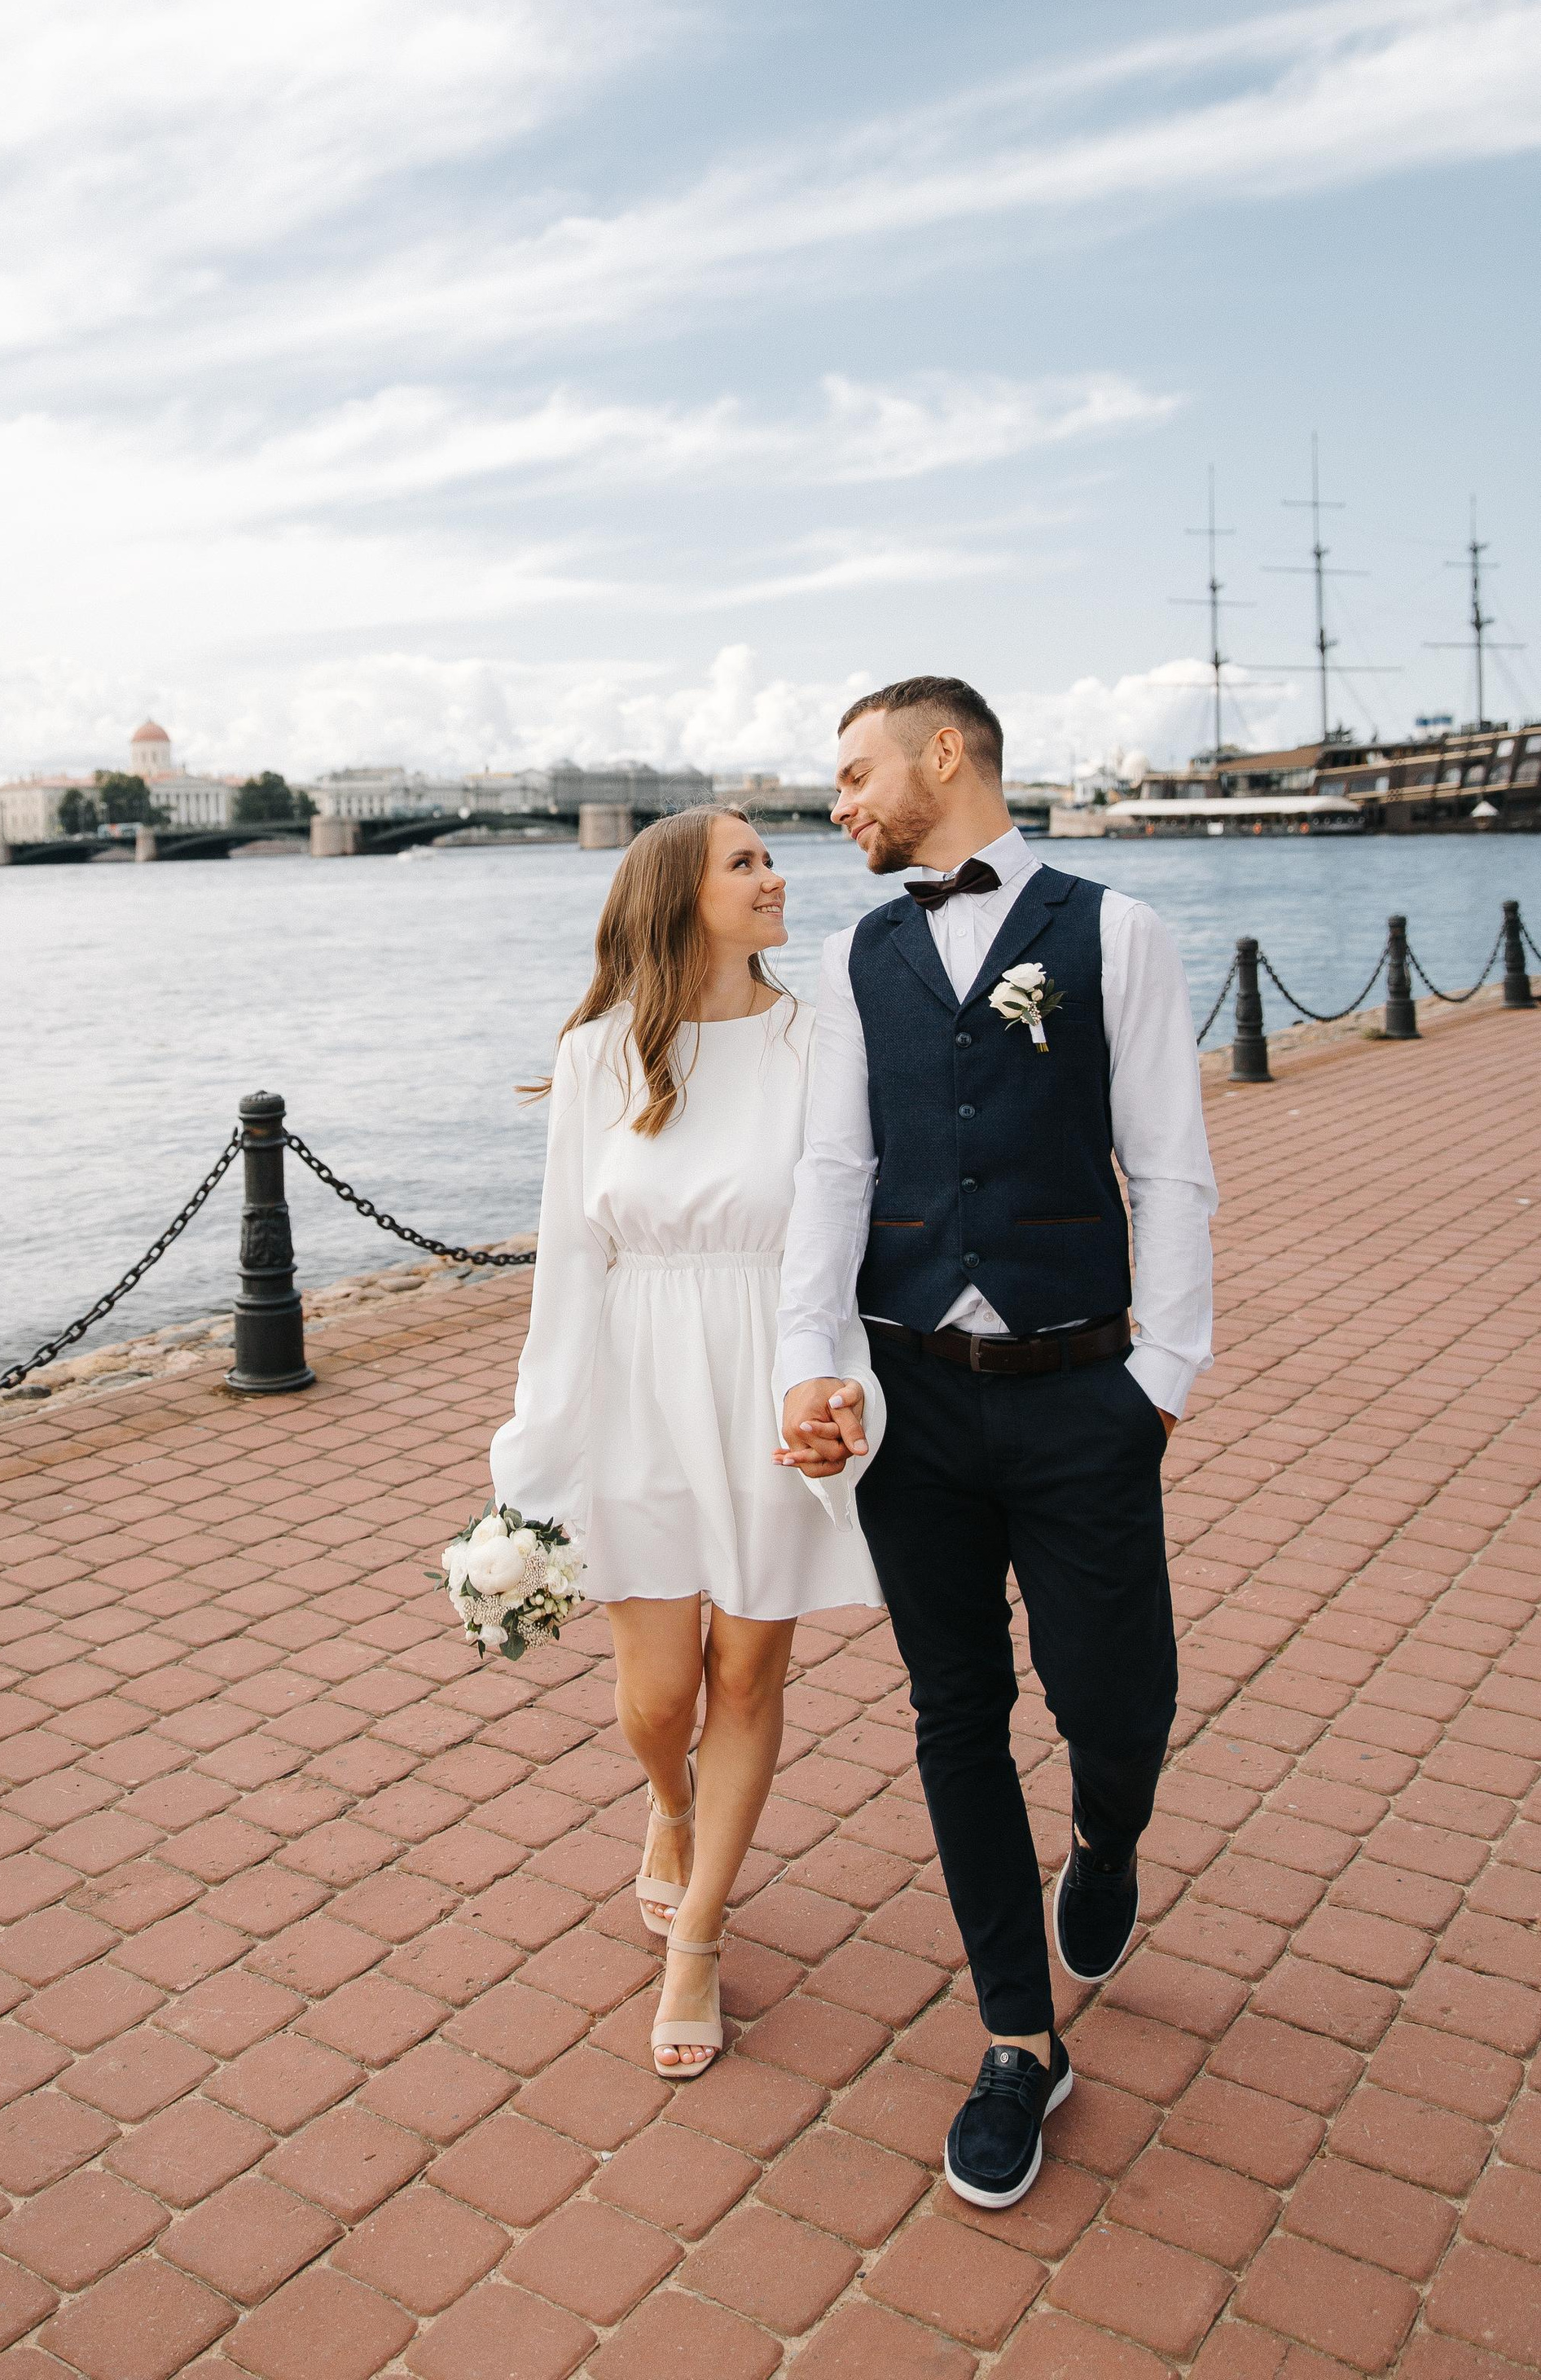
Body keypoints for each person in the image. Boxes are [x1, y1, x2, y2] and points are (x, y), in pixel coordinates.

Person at [778, 676, 1214, 2211]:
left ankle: (1106, 1840)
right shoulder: (853, 956)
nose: (836, 805)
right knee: (955, 1712)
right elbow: (835, 1172)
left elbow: (1169, 1169)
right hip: (910, 1399)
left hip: (1083, 1390)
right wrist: (805, 1365)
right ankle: (1019, 2041)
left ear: (942, 756)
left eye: (851, 773)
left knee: (1120, 1701)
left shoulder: (1120, 931)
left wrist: (1159, 1378)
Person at [491, 805, 886, 2081]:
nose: (777, 877)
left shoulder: (822, 1041)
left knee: (751, 1677)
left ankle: (701, 1937)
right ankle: (669, 1804)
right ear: (679, 894)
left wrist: (837, 1388)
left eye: (773, 857)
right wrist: (534, 1461)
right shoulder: (604, 1055)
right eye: (747, 863)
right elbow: (569, 1269)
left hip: (774, 1370)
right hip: (639, 1388)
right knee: (662, 1697)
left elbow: (844, 1238)